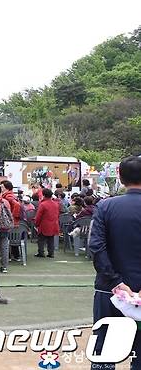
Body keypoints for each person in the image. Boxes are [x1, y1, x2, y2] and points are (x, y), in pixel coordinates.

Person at [89, 156, 141, 369]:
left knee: (104, 352)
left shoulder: (106, 206)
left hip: (110, 292)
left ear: (120, 177)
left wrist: (115, 282)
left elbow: (96, 247)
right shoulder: (106, 206)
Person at [34, 188, 60, 258]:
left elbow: (38, 216)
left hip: (44, 224)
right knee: (51, 239)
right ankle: (51, 253)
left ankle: (41, 252)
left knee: (41, 239)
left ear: (44, 195)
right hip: (54, 224)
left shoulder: (43, 204)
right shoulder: (56, 204)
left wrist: (36, 224)